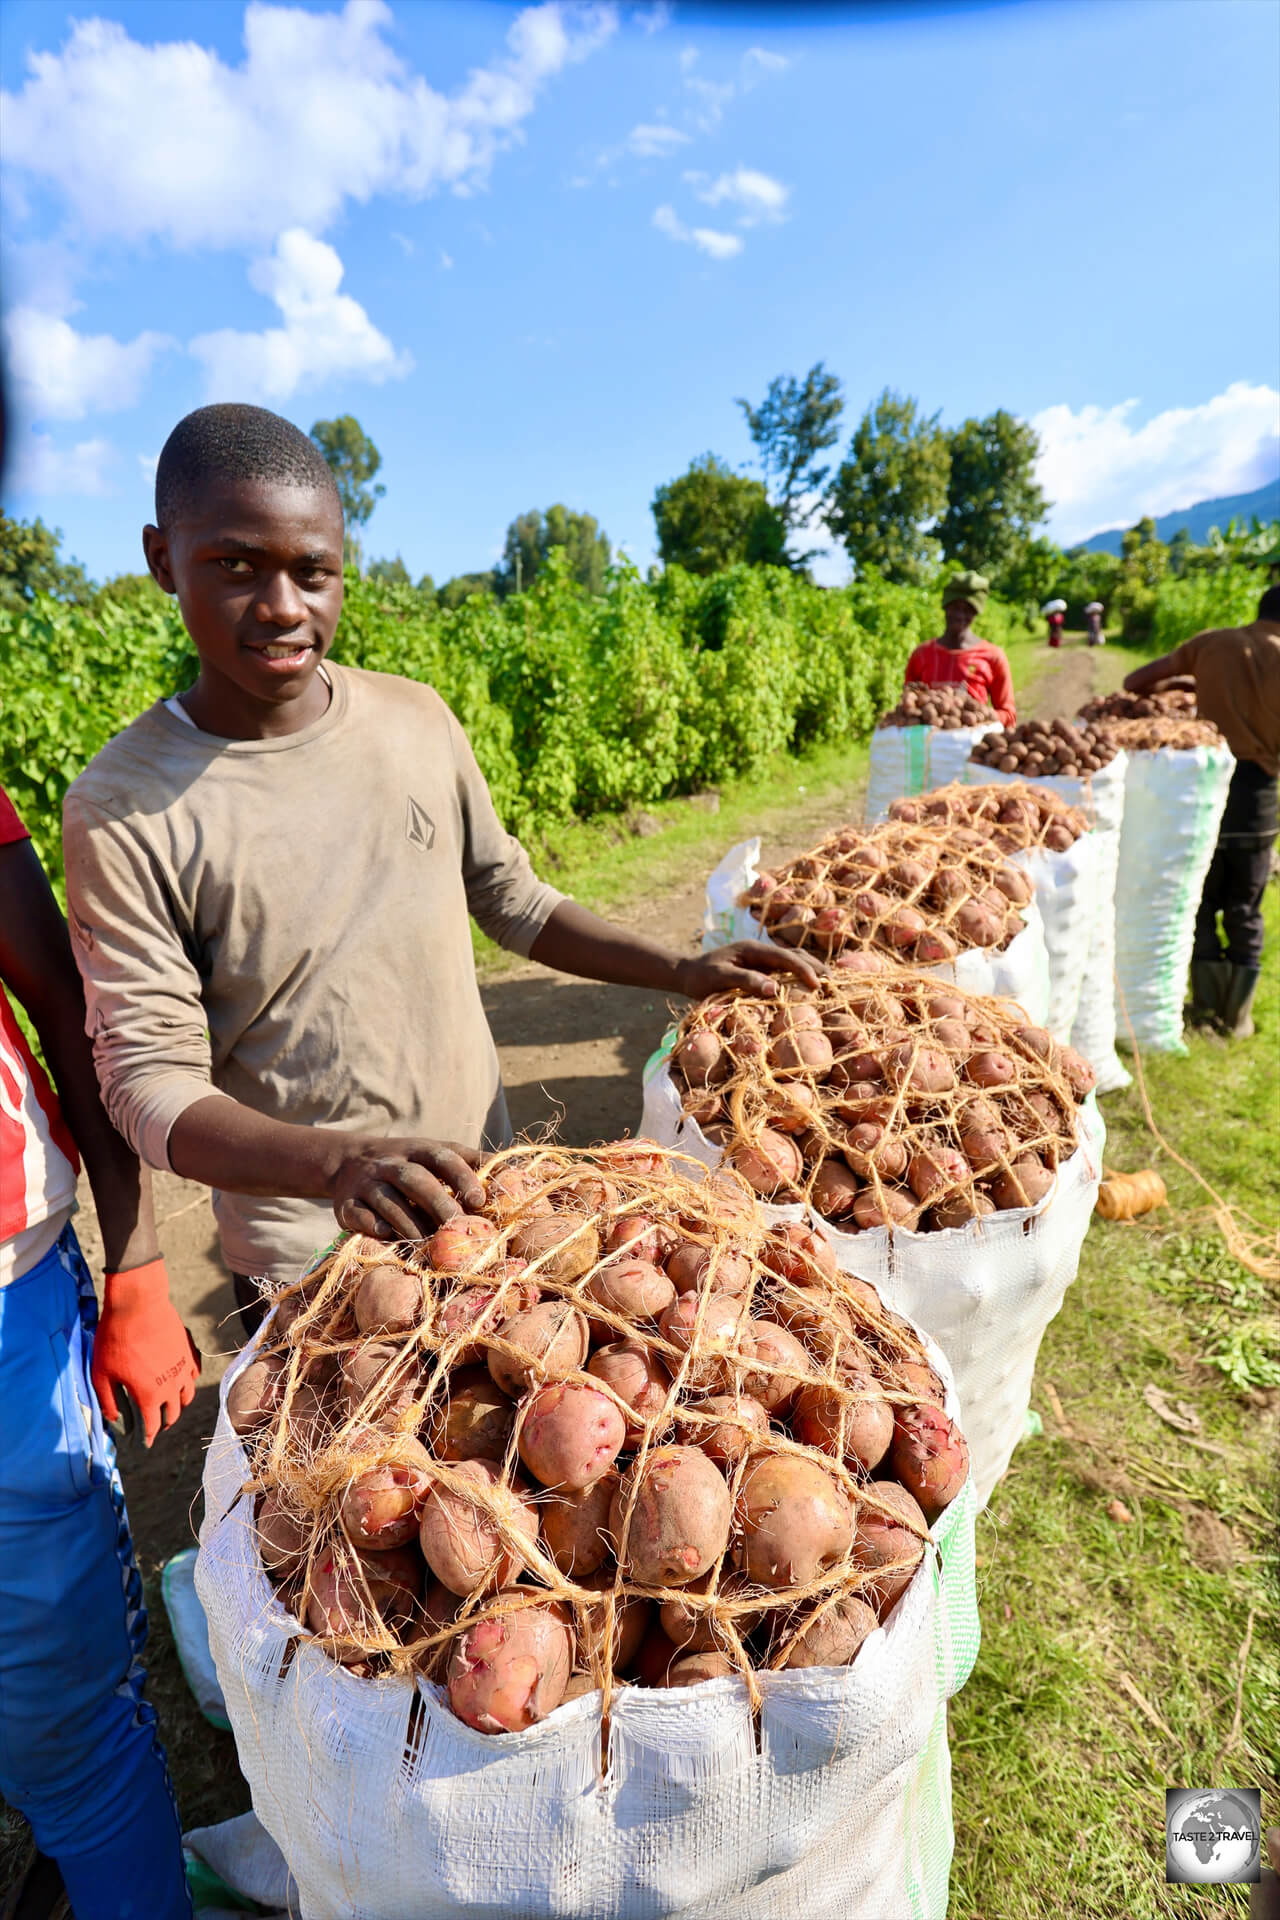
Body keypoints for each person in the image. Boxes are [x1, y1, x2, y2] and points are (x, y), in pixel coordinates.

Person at [62, 404, 820, 1327]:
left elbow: (510, 898)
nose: (283, 608)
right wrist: (338, 1166)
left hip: (488, 1197)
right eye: (234, 566)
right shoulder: (123, 805)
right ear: (160, 558)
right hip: (317, 1258)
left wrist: (682, 971)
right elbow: (150, 1086)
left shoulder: (416, 720)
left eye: (313, 571)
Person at [1, 785, 199, 1920]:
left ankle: (99, 1857)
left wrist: (136, 1269)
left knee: (68, 1709)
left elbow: (62, 1001)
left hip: (8, 1307)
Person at [1123, 583, 1280, 1037]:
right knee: (1245, 905)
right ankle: (1238, 1018)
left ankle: (1203, 1006)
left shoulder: (1214, 642)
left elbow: (1134, 682)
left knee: (1203, 899)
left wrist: (1189, 683)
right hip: (1259, 799)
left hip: (1204, 791)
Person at [902, 570, 1016, 725]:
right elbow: (908, 702)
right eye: (954, 607)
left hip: (974, 746)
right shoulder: (921, 654)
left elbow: (1008, 715)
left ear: (976, 612)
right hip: (928, 745)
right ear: (945, 607)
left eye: (968, 609)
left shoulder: (993, 656)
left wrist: (982, 716)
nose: (960, 615)